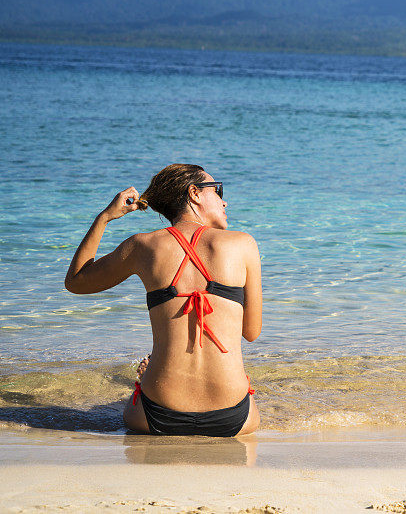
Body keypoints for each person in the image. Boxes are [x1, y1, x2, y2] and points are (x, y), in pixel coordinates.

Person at [64, 164, 262, 436]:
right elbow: (251, 332)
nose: (223, 199)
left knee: (146, 378)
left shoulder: (141, 246)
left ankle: (156, 372)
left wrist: (105, 217)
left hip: (157, 416)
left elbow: (76, 282)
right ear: (194, 193)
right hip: (233, 417)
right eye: (217, 190)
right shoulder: (243, 244)